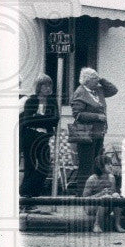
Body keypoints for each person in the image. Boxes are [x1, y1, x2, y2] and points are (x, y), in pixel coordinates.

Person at [70, 67, 117, 192]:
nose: (97, 82)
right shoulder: (80, 92)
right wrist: (96, 116)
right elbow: (77, 114)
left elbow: (113, 90)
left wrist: (101, 79)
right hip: (86, 133)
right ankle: (81, 193)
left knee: (97, 163)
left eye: (97, 79)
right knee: (86, 164)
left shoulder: (98, 90)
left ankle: (93, 191)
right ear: (87, 81)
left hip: (99, 133)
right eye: (94, 79)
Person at [19, 74, 60, 207]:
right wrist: (44, 119)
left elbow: (55, 120)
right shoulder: (31, 100)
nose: (48, 88)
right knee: (30, 166)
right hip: (29, 136)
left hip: (43, 137)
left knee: (44, 165)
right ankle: (28, 199)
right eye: (45, 85)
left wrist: (37, 117)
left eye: (50, 85)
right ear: (39, 87)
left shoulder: (53, 102)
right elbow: (26, 120)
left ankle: (27, 192)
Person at [83, 155, 125, 234]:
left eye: (111, 164)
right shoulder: (92, 179)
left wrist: (114, 194)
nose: (111, 166)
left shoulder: (112, 178)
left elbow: (112, 193)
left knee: (116, 196)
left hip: (106, 204)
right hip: (91, 206)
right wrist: (100, 194)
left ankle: (117, 224)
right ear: (100, 166)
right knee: (106, 198)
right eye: (108, 164)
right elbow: (85, 199)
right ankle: (97, 225)